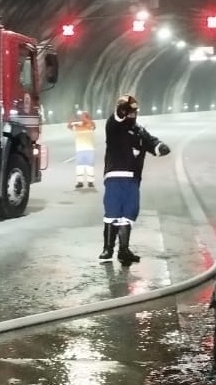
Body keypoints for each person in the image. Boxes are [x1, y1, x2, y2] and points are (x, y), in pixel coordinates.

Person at [100, 94, 170, 264]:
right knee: (113, 212)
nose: (132, 116)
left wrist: (160, 147)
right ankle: (107, 249)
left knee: (129, 213)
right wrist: (121, 110)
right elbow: (116, 119)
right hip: (115, 176)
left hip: (133, 180)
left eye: (134, 113)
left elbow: (152, 143)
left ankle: (123, 250)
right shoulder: (114, 127)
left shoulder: (139, 131)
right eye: (129, 112)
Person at [66, 111, 98, 189]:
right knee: (79, 166)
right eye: (82, 116)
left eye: (84, 116)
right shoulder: (78, 126)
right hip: (80, 150)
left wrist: (85, 118)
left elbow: (93, 125)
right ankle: (80, 182)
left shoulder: (90, 125)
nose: (82, 117)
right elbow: (69, 126)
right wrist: (71, 120)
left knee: (90, 166)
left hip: (89, 149)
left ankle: (90, 182)